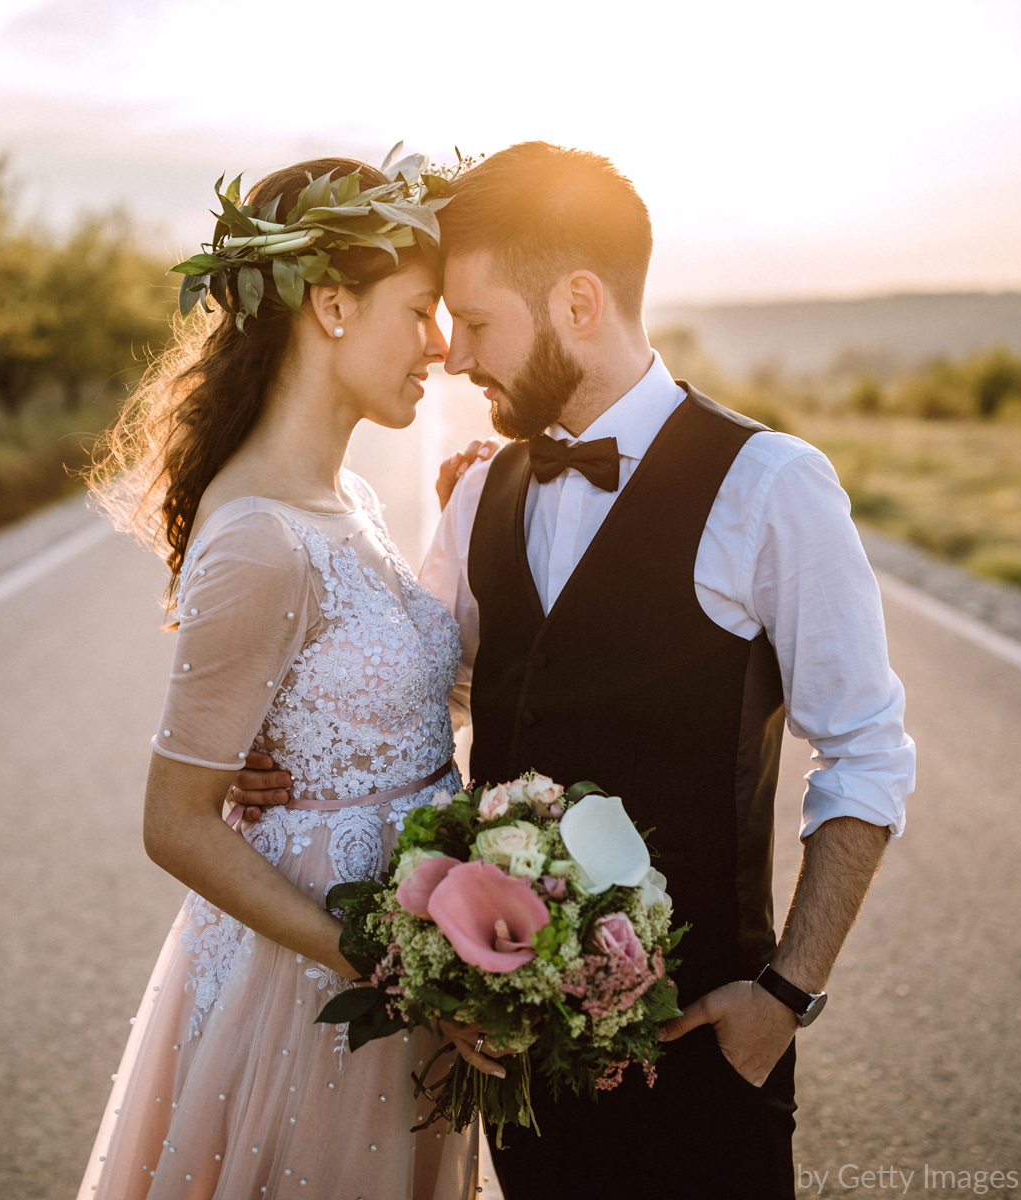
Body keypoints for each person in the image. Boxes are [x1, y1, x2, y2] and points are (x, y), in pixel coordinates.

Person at [233, 142, 917, 1198]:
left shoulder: (772, 485)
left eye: (479, 320)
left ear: (580, 302)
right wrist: (274, 756)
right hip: (514, 1070)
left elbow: (866, 751)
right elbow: (422, 693)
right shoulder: (478, 495)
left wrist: (785, 994)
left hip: (701, 1059)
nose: (454, 355)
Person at [74, 157, 487, 1200]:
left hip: (402, 962)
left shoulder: (344, 497)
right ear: (333, 305)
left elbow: (389, 708)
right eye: (421, 310)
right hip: (318, 994)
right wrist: (382, 965)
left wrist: (475, 536)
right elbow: (176, 821)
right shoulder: (260, 538)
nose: (440, 347)